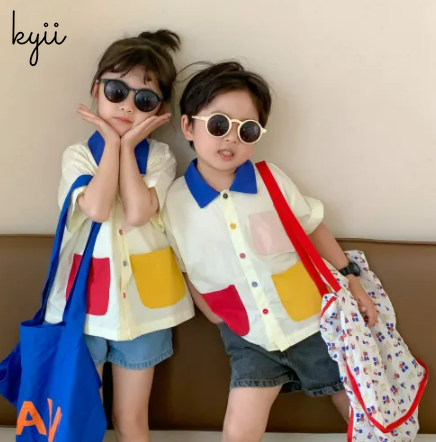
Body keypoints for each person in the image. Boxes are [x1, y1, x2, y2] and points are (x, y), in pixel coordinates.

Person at [163, 61, 377, 442]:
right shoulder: (173, 202)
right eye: (218, 124)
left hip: (311, 323)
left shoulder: (271, 179)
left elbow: (312, 227)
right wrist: (211, 311)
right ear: (188, 127)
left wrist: (353, 281)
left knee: (361, 410)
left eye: (246, 130)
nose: (231, 139)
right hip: (249, 335)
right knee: (238, 427)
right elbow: (182, 264)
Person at [45, 30, 194, 442]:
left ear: (159, 109)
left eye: (144, 99)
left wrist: (126, 147)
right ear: (96, 91)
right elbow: (95, 208)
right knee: (82, 416)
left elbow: (138, 212)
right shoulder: (77, 156)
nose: (128, 106)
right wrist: (113, 143)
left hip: (146, 309)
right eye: (116, 91)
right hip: (84, 305)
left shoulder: (161, 157)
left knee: (131, 418)